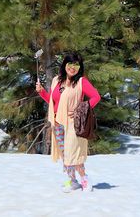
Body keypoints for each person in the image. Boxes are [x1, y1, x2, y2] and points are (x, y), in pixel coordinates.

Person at [36, 52, 101, 192]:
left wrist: (81, 108)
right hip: (58, 123)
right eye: (70, 64)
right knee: (65, 154)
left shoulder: (81, 82)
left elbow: (96, 97)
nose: (73, 67)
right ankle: (73, 181)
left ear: (80, 67)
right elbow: (54, 102)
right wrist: (42, 92)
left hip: (73, 123)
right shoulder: (56, 80)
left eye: (76, 65)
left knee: (74, 153)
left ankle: (85, 179)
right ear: (65, 64)